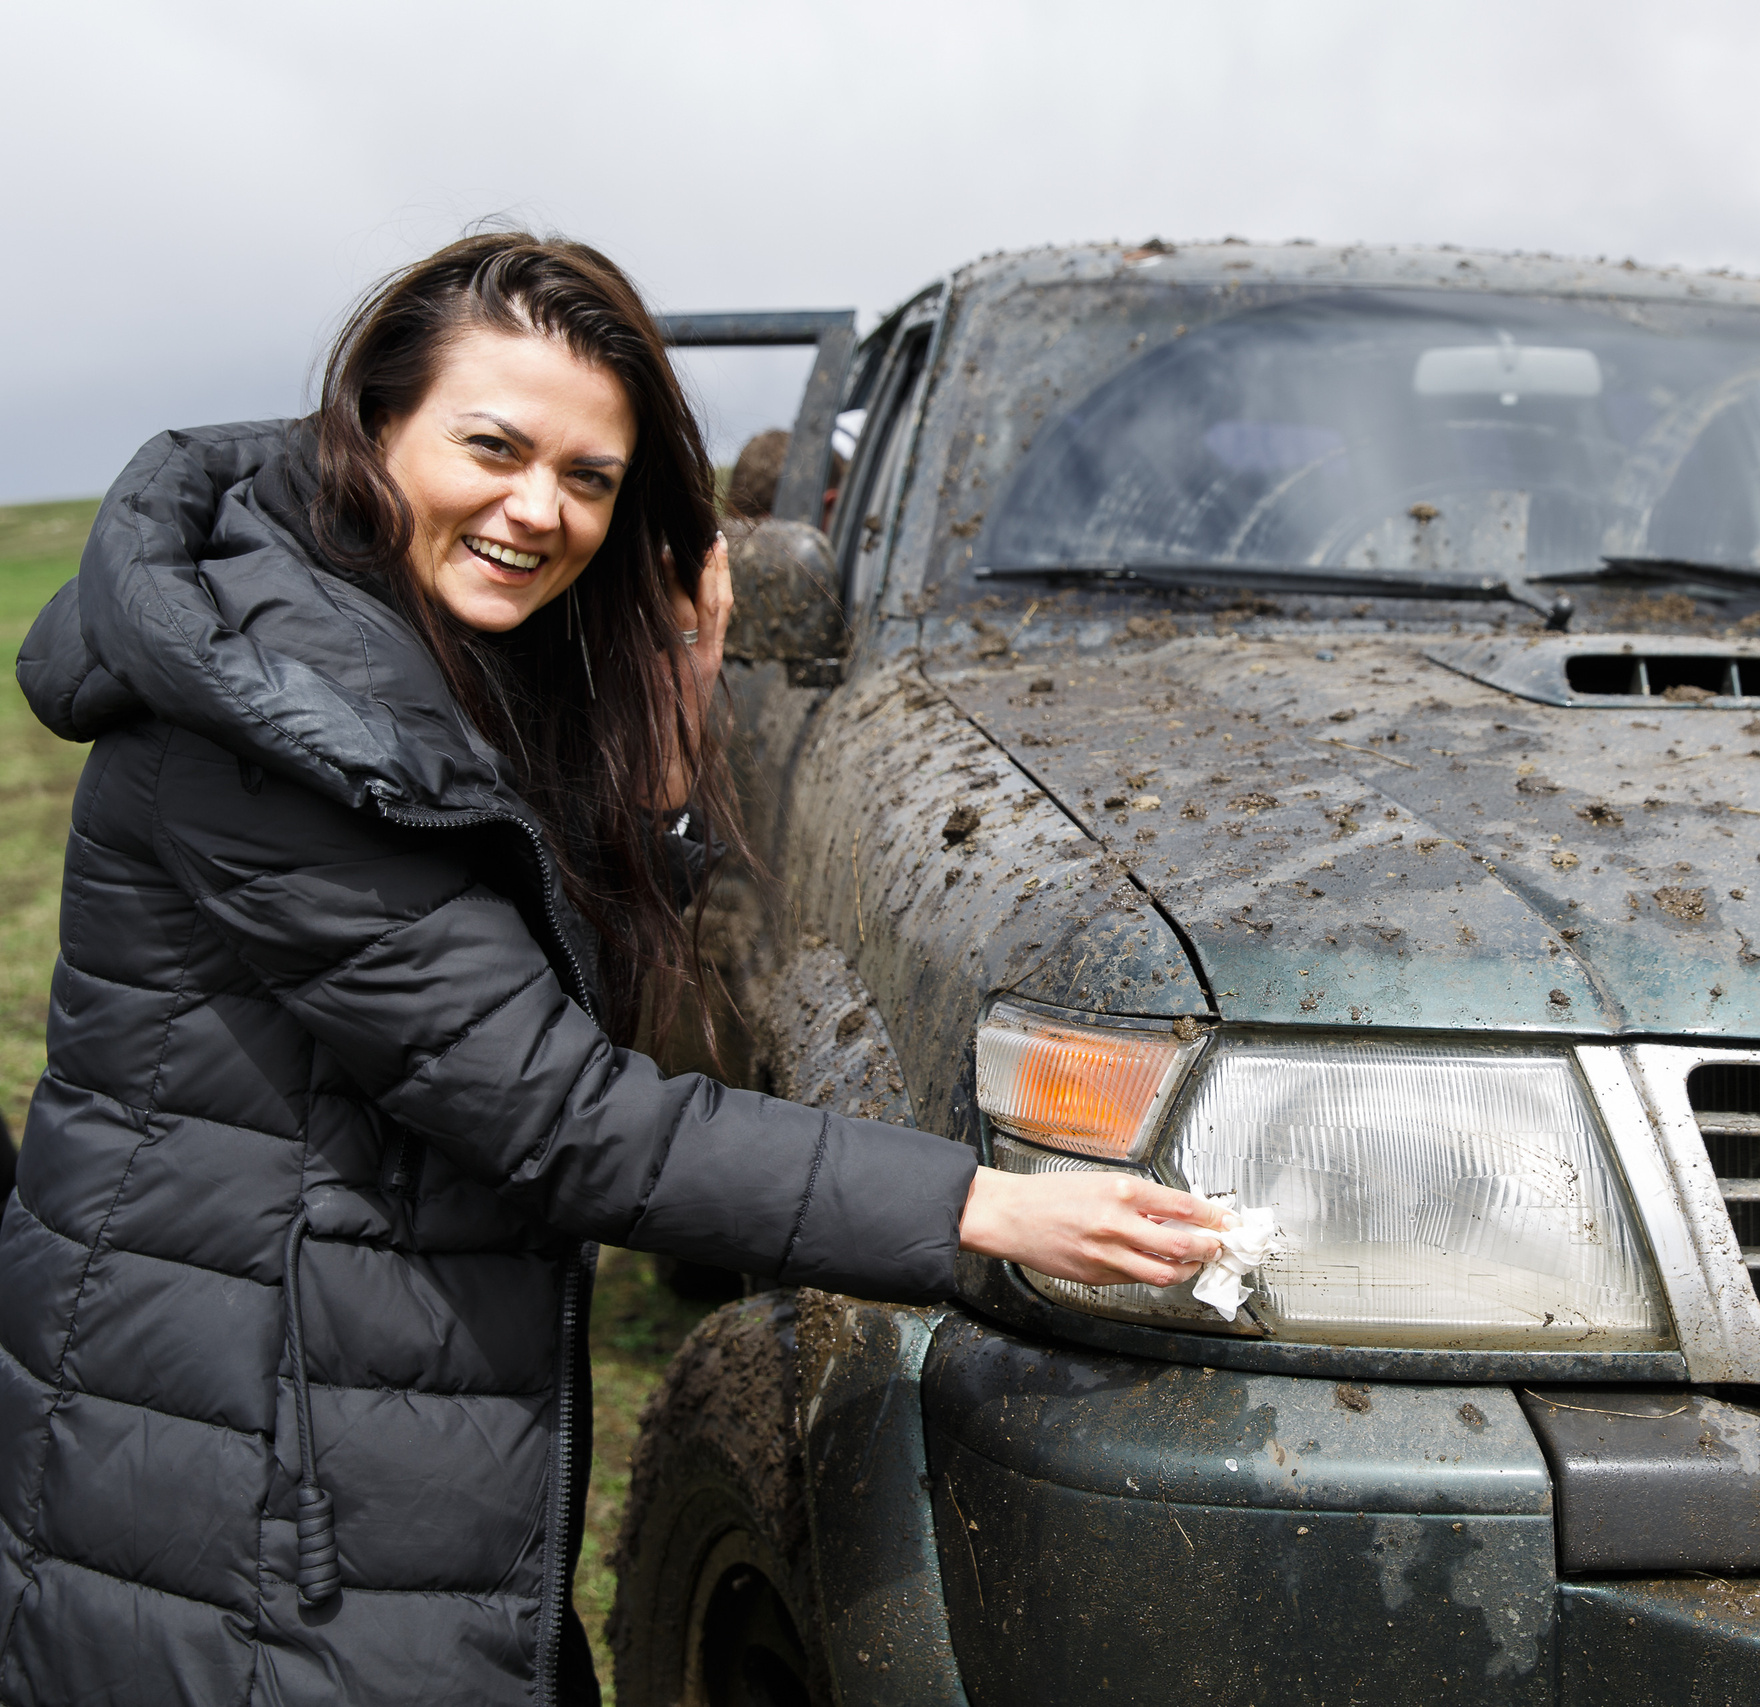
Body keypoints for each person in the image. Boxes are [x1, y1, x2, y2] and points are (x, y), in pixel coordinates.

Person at [0, 232, 1225, 1707]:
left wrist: (662, 775)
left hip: (330, 1403)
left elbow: (531, 1003)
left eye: (589, 477)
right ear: (371, 424)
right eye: (493, 447)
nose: (540, 510)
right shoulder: (276, 725)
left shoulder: (408, 647)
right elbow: (561, 1114)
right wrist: (985, 1206)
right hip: (249, 1483)